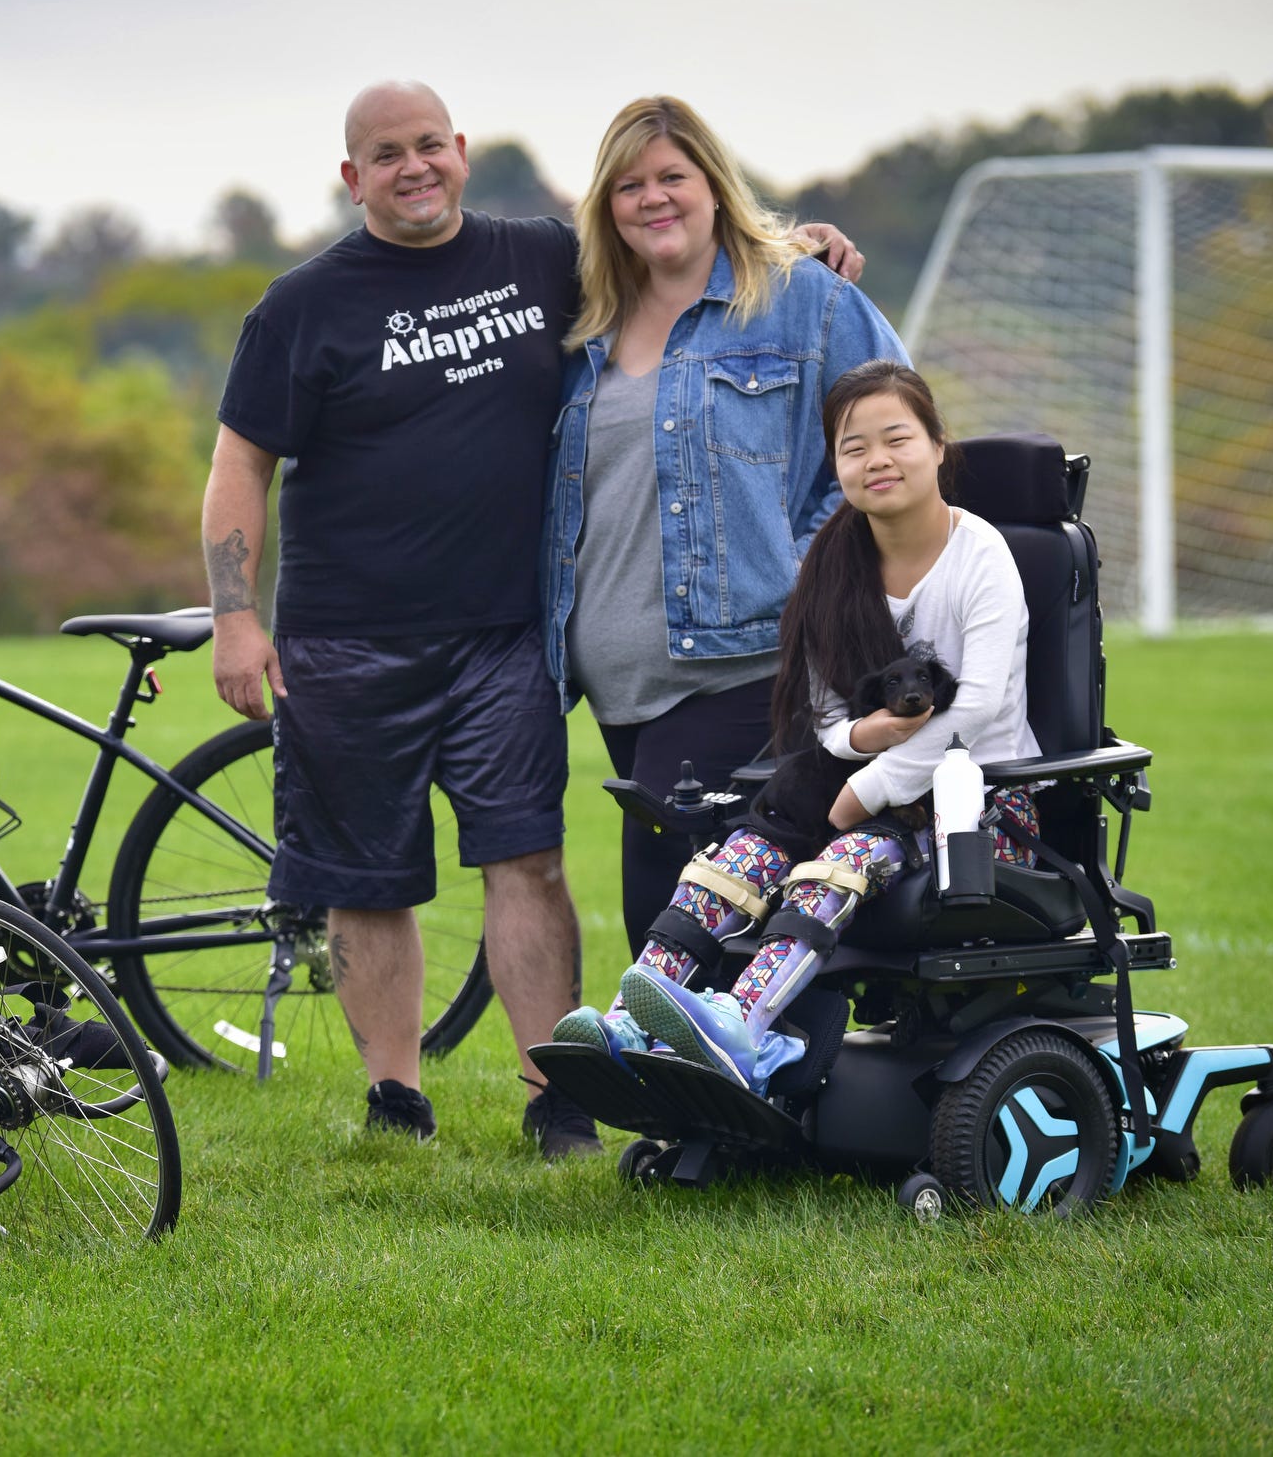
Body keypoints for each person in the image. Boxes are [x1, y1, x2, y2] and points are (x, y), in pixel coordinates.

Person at [203, 81, 862, 1158]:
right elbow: (240, 461)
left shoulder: (541, 258)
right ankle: (394, 1094)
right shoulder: (300, 305)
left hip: (509, 633)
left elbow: (663, 238)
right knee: (369, 879)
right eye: (384, 155)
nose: (411, 167)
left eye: (428, 146)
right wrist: (236, 617)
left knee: (527, 860)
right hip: (346, 636)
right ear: (349, 176)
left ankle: (550, 1092)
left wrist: (795, 243)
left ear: (459, 151)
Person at [556, 362, 1045, 1089]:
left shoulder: (984, 559)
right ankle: (636, 1015)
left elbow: (974, 712)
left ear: (939, 445)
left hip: (976, 807)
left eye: (897, 439)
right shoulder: (833, 562)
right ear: (836, 465)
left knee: (839, 859)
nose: (876, 460)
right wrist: (862, 740)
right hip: (860, 781)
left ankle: (746, 1028)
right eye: (853, 448)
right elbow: (824, 717)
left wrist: (869, 788)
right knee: (739, 854)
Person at [540, 96, 906, 956]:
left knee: (672, 925)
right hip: (616, 690)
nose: (653, 198)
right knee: (724, 921)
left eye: (673, 176)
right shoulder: (588, 325)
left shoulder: (802, 299)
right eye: (629, 185)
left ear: (714, 184)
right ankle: (762, 1084)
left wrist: (805, 567)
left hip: (742, 666)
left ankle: (719, 1085)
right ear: (606, 206)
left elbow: (898, 440)